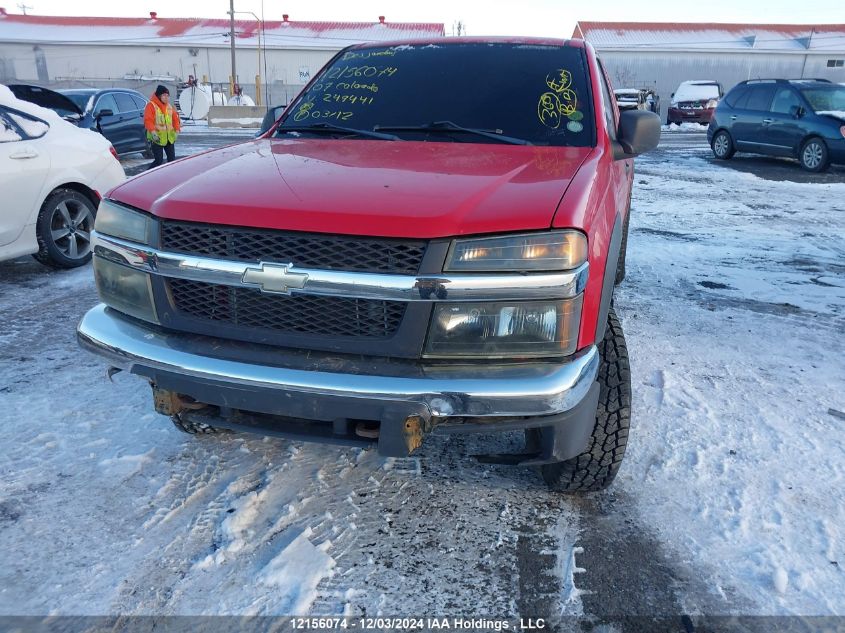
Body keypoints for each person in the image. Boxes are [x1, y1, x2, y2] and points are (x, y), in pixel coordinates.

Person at [144, 85, 181, 169]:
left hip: (169, 139)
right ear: (159, 96)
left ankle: (169, 177)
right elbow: (148, 120)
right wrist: (153, 132)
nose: (166, 97)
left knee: (172, 161)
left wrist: (177, 131)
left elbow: (175, 119)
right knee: (158, 161)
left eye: (167, 95)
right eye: (164, 95)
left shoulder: (169, 106)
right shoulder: (151, 105)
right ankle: (147, 176)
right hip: (157, 139)